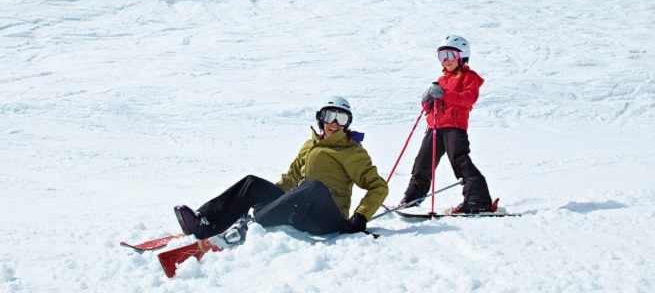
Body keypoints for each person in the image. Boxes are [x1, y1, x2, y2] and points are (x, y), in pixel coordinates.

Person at [175, 96, 388, 240]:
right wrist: (266, 199)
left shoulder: (351, 151)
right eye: (329, 116)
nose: (334, 123)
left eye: (341, 118)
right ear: (320, 118)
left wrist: (360, 216)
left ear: (347, 123)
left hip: (326, 218)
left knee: (314, 187)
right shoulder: (310, 145)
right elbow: (290, 179)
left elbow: (378, 187)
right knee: (252, 183)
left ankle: (253, 223)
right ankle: (205, 221)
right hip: (301, 210)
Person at [400, 35, 493, 214]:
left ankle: (477, 199)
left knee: (460, 160)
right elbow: (432, 106)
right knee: (422, 161)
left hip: (455, 127)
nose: (445, 60)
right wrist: (427, 100)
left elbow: (468, 99)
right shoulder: (441, 80)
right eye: (441, 55)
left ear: (462, 56)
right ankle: (413, 196)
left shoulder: (469, 77)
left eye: (450, 55)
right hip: (434, 128)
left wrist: (443, 94)